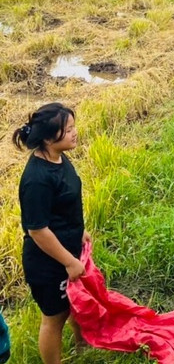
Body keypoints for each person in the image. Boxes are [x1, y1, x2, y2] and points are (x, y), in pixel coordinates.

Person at [14, 103, 90, 364]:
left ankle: (83, 344)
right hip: (48, 262)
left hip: (69, 248)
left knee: (75, 302)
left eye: (73, 127)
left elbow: (63, 205)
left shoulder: (58, 156)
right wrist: (69, 262)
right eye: (67, 130)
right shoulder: (37, 179)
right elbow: (37, 230)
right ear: (48, 138)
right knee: (54, 317)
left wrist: (80, 232)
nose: (74, 133)